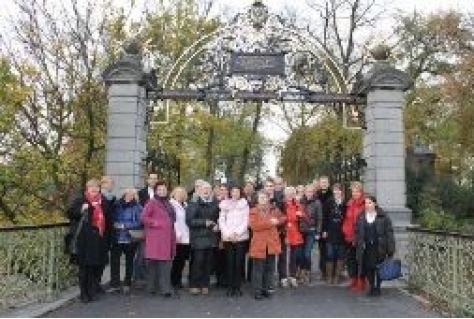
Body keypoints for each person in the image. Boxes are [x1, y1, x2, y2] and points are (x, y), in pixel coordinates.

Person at [66, 179, 112, 303]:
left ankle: (92, 291)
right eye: (92, 186)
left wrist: (109, 239)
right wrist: (81, 209)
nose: (94, 189)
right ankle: (83, 293)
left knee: (95, 267)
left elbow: (109, 220)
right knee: (84, 268)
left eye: (96, 187)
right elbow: (70, 213)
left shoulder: (104, 202)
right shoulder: (81, 200)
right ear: (87, 188)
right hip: (84, 240)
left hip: (99, 240)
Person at [141, 181, 177, 298]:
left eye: (164, 189)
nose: (162, 191)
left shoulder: (168, 203)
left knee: (165, 264)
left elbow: (172, 219)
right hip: (155, 239)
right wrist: (155, 223)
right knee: (154, 264)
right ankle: (152, 288)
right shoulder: (152, 202)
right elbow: (143, 217)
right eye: (160, 189)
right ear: (156, 191)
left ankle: (165, 288)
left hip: (167, 238)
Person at [355, 195, 395, 297]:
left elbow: (389, 233)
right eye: (366, 203)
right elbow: (357, 231)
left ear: (375, 203)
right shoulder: (361, 216)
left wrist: (390, 249)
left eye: (369, 203)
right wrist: (357, 242)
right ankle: (372, 286)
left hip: (379, 247)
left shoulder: (383, 216)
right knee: (368, 268)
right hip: (366, 247)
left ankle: (378, 287)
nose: (367, 205)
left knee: (378, 268)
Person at [249, 191, 285, 300]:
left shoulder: (273, 209)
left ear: (268, 199)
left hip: (271, 244)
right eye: (261, 197)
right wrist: (270, 222)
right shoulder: (253, 211)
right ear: (257, 199)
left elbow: (283, 217)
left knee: (270, 269)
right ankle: (257, 291)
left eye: (265, 197)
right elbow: (254, 226)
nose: (263, 199)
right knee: (258, 270)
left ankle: (268, 289)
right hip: (259, 244)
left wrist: (277, 221)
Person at [186, 181, 220, 295]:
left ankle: (205, 284)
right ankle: (194, 284)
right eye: (204, 189)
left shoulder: (215, 204)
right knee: (198, 262)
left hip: (211, 238)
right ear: (199, 190)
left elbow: (218, 219)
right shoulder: (194, 203)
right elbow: (190, 221)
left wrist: (217, 225)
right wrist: (204, 222)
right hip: (198, 238)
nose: (206, 191)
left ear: (211, 191)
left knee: (208, 262)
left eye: (208, 189)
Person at [109, 188, 143, 294]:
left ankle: (127, 283)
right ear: (124, 194)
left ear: (135, 196)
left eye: (132, 194)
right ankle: (115, 284)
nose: (129, 196)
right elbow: (111, 218)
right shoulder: (116, 205)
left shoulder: (138, 207)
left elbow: (140, 222)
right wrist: (114, 224)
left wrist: (125, 225)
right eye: (128, 194)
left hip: (130, 237)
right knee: (114, 261)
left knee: (129, 262)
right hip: (117, 236)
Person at [218, 185, 249, 297]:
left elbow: (246, 220)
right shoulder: (225, 204)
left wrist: (237, 233)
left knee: (238, 263)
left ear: (240, 193)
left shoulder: (244, 204)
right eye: (233, 191)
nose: (235, 193)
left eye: (237, 191)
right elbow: (221, 220)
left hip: (240, 237)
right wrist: (227, 233)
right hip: (228, 237)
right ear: (230, 193)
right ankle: (230, 287)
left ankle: (237, 287)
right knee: (230, 263)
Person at [135, 173, 159, 284]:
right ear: (147, 180)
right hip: (144, 227)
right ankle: (139, 278)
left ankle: (152, 278)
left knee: (155, 253)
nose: (153, 180)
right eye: (151, 178)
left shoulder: (161, 194)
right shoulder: (140, 193)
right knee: (142, 253)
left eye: (155, 179)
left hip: (158, 228)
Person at [342, 181, 366, 291]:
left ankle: (361, 281)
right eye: (353, 191)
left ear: (361, 191)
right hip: (349, 236)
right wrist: (345, 230)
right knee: (350, 260)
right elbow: (347, 219)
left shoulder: (365, 203)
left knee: (360, 260)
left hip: (360, 237)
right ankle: (354, 279)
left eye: (357, 191)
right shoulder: (350, 203)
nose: (354, 193)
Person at [322, 183, 347, 285]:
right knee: (330, 254)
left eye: (339, 190)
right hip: (330, 232)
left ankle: (337, 277)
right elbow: (324, 217)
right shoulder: (329, 202)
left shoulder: (345, 203)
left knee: (340, 255)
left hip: (342, 233)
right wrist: (324, 230)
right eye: (335, 190)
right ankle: (329, 277)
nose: (337, 192)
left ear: (342, 191)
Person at [264, 178, 287, 288]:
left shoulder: (280, 199)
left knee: (282, 255)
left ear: (274, 187)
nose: (269, 188)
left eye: (271, 186)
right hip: (265, 233)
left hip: (279, 232)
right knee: (268, 257)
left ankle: (282, 277)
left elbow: (284, 215)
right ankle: (267, 280)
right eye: (267, 186)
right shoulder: (260, 199)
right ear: (264, 187)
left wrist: (279, 224)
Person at [299, 184, 322, 284]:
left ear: (313, 193)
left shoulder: (317, 203)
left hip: (311, 231)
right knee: (300, 254)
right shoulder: (300, 201)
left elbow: (320, 218)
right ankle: (302, 271)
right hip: (300, 231)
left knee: (307, 253)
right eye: (307, 191)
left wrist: (318, 232)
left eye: (311, 191)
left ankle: (307, 272)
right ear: (304, 192)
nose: (309, 193)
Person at [284, 186, 305, 288]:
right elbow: (282, 217)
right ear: (285, 194)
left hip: (296, 233)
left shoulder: (297, 204)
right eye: (288, 193)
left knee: (294, 257)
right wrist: (294, 217)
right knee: (282, 257)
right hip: (284, 232)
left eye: (292, 193)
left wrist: (301, 215)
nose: (290, 195)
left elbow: (303, 217)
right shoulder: (282, 204)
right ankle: (283, 277)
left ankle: (292, 277)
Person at [170, 187, 190, 289]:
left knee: (182, 260)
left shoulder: (186, 205)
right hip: (177, 236)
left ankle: (178, 280)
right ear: (173, 194)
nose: (180, 195)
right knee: (176, 260)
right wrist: (176, 234)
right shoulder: (171, 204)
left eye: (182, 193)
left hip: (186, 236)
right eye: (177, 193)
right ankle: (173, 281)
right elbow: (173, 221)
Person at [317, 176, 333, 281]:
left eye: (325, 182)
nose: (323, 184)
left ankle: (330, 273)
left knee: (330, 251)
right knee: (322, 250)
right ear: (319, 183)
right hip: (319, 227)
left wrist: (326, 229)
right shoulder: (316, 195)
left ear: (328, 183)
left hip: (330, 227)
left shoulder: (332, 195)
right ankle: (323, 271)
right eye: (322, 182)